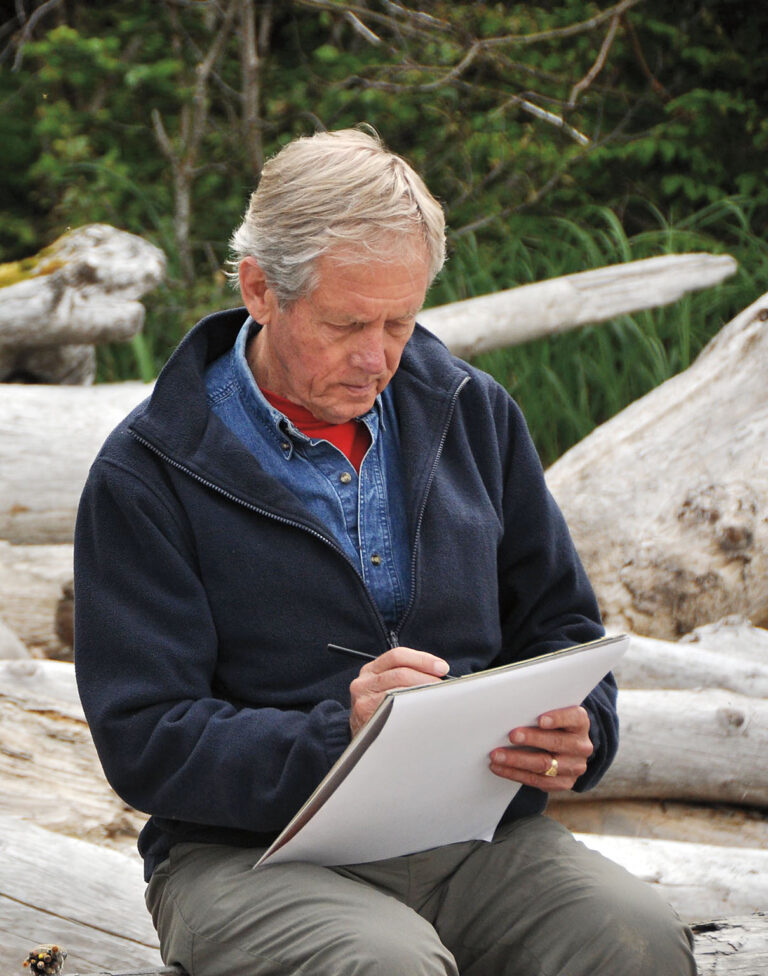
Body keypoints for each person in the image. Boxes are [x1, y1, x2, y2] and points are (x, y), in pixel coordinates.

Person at [74, 127, 696, 976]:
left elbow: (565, 631)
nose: (377, 358)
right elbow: (145, 739)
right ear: (260, 289)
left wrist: (586, 729)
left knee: (639, 940)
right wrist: (345, 736)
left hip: (470, 839)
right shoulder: (146, 472)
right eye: (347, 323)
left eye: (400, 321)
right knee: (385, 966)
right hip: (250, 856)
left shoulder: (473, 411)